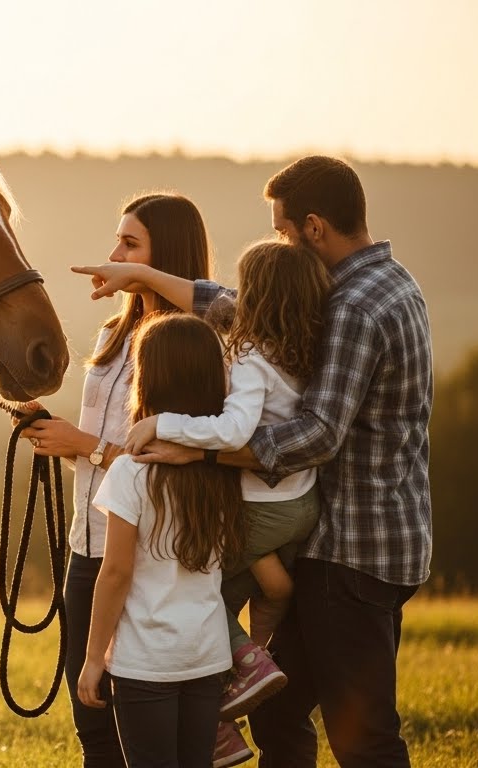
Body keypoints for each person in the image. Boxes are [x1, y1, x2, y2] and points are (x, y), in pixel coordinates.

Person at [86, 156, 433, 768]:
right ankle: (231, 684)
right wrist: (144, 274)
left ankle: (213, 682)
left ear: (315, 228)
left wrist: (200, 450)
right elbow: (242, 308)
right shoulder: (385, 283)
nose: (280, 241)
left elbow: (318, 434)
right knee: (280, 705)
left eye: (282, 230)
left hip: (353, 548)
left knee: (363, 733)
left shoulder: (351, 306)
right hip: (372, 538)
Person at [115, 240, 331, 764]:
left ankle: (241, 677)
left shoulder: (253, 359)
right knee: (259, 586)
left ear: (257, 299)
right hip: (302, 504)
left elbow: (235, 430)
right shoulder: (304, 354)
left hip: (261, 505)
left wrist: (162, 423)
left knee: (198, 591)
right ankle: (244, 672)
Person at [20, 192, 214, 767]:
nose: (115, 254)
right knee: (92, 719)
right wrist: (54, 431)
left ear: (162, 256)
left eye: (130, 244)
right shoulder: (112, 334)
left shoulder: (193, 349)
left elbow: (178, 455)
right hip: (88, 548)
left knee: (135, 722)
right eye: (118, 240)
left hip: (143, 557)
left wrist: (84, 448)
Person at [77, 313, 245, 768]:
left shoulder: (132, 473)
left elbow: (115, 573)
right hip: (207, 658)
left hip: (143, 663)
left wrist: (94, 659)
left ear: (146, 384)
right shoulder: (225, 471)